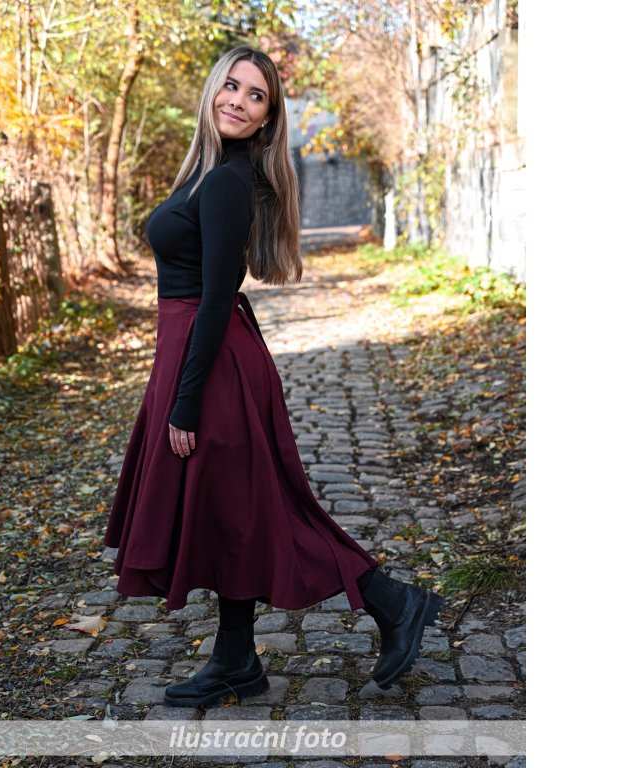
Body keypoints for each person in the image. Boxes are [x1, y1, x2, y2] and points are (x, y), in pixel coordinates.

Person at [102, 45, 442, 709]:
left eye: (255, 95)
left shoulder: (227, 182)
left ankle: (394, 602)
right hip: (200, 355)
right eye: (231, 85)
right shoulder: (210, 173)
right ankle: (237, 661)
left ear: (267, 117)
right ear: (212, 89)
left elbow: (215, 295)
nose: (238, 100)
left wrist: (185, 403)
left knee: (259, 510)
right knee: (231, 511)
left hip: (212, 365)